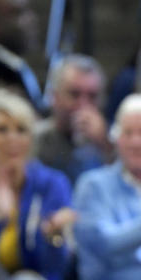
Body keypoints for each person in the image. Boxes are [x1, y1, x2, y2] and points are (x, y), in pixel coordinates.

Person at [0, 89, 73, 280]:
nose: (13, 138)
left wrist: (54, 238)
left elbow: (56, 269)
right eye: (2, 129)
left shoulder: (53, 184)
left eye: (22, 130)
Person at [73, 93, 141, 280]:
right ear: (116, 138)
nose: (136, 142)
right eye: (128, 133)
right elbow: (104, 245)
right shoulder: (93, 185)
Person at [34, 54, 112, 185]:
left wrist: (105, 145)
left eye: (92, 96)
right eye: (74, 94)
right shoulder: (34, 141)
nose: (83, 104)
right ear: (55, 97)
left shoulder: (113, 143)